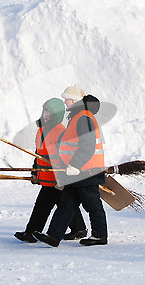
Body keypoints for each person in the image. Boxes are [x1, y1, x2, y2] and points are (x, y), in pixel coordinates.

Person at [33, 88, 108, 247]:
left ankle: (100, 236)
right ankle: (53, 236)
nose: (65, 102)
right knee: (67, 203)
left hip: (87, 171)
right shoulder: (76, 117)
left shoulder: (83, 117)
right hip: (76, 171)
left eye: (66, 99)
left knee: (92, 204)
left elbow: (87, 145)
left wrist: (75, 165)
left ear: (73, 100)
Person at [14, 97, 87, 243]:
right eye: (44, 111)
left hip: (56, 177)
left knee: (43, 204)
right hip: (46, 175)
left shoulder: (61, 132)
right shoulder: (41, 130)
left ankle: (31, 232)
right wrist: (35, 171)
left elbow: (66, 155)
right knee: (62, 203)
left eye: (49, 112)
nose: (45, 115)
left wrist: (64, 174)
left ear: (56, 114)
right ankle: (78, 229)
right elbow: (38, 154)